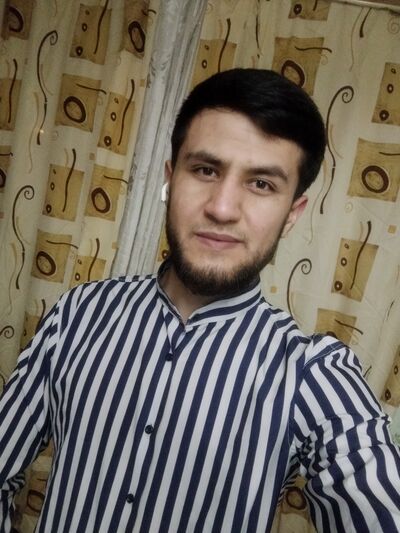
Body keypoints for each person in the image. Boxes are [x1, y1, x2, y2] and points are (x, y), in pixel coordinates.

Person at [0, 68, 399, 533]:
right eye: (205, 170)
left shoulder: (313, 372)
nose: (222, 208)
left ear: (292, 214)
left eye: (261, 184)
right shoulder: (77, 316)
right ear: (171, 179)